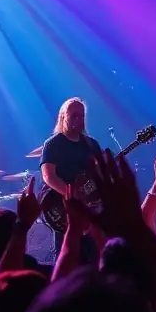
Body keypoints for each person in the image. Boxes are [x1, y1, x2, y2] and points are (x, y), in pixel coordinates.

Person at [39, 98, 103, 254]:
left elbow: (99, 174)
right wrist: (72, 194)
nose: (79, 119)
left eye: (81, 116)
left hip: (90, 210)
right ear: (63, 116)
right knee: (67, 254)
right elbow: (49, 177)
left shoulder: (92, 145)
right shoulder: (53, 144)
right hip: (63, 207)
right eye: (74, 115)